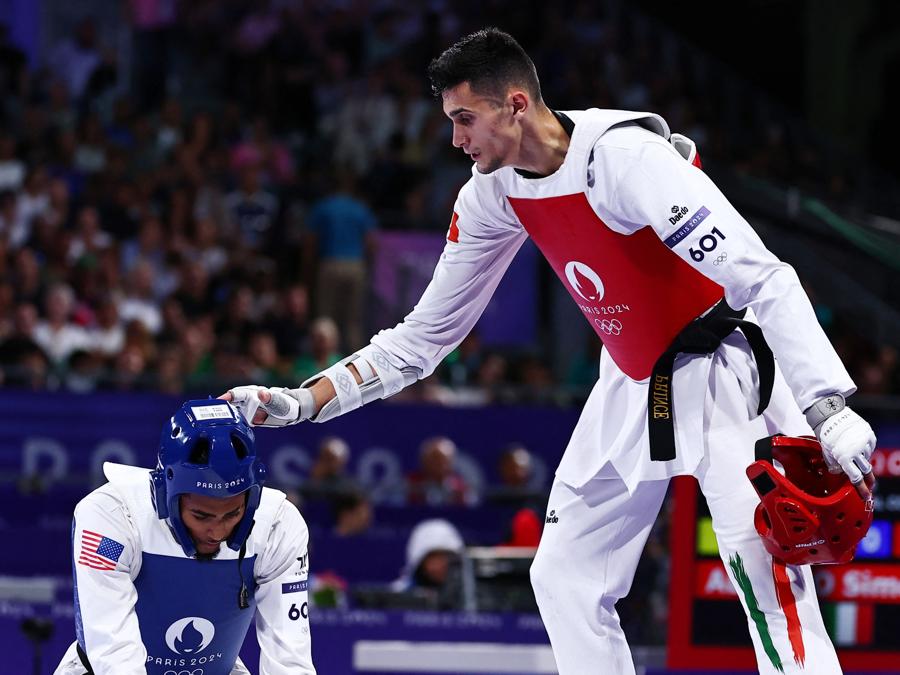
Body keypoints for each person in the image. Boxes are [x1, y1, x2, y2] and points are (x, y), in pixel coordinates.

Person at [222, 28, 877, 675]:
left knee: (768, 588)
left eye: (464, 118)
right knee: (566, 575)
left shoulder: (625, 161)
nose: (455, 139)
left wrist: (828, 407)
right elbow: (422, 341)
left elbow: (763, 275)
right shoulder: (492, 192)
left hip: (726, 367)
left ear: (514, 104)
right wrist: (304, 401)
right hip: (630, 379)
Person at [54, 399, 315, 675]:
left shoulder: (278, 525)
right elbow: (114, 656)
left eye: (232, 514)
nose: (216, 532)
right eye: (201, 516)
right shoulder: (109, 517)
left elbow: (290, 661)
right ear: (166, 494)